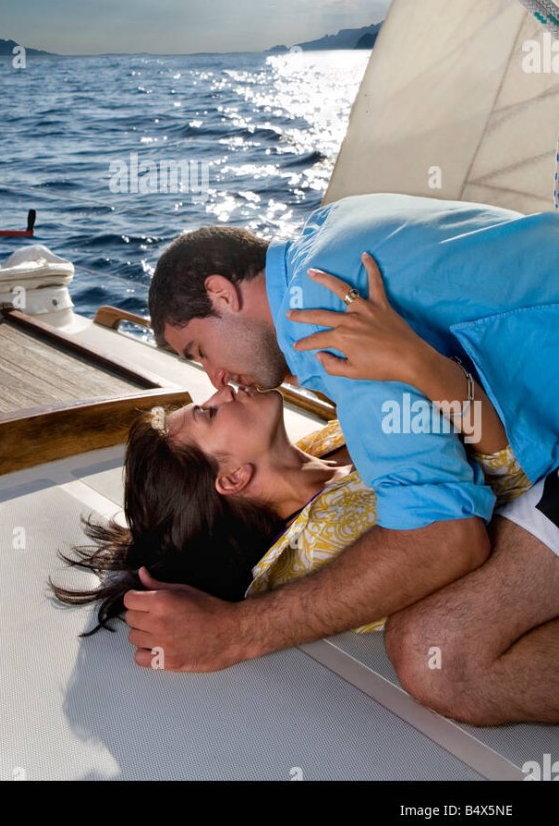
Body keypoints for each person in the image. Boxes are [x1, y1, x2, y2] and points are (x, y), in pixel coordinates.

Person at [132, 192, 559, 725]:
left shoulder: (322, 319)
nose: (216, 379)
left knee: (439, 657)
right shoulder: (329, 231)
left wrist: (236, 633)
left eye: (200, 351)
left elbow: (449, 532)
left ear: (221, 294)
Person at [53, 373, 528, 647]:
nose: (221, 389)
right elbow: (510, 465)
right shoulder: (326, 537)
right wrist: (404, 361)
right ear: (233, 478)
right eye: (209, 412)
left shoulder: (312, 452)